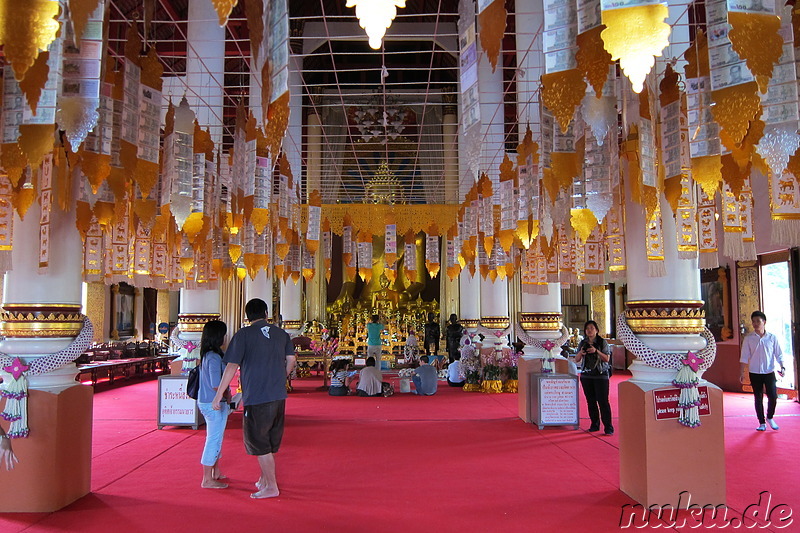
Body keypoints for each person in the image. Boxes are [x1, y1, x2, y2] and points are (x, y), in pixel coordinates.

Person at [212, 298, 296, 499]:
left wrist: (218, 395)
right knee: (268, 440)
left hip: (257, 395)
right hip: (278, 395)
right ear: (267, 313)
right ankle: (265, 479)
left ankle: (271, 486)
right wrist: (280, 377)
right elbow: (292, 360)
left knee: (259, 442)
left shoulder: (244, 335)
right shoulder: (281, 333)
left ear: (248, 315)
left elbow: (231, 366)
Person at [196, 319, 230, 489]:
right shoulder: (214, 357)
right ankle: (207, 479)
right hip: (213, 402)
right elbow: (216, 383)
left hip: (208, 400)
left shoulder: (208, 355)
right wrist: (226, 393)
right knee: (214, 439)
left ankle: (215, 471)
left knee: (216, 437)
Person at [740, 311, 785, 431]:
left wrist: (782, 366)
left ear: (764, 322)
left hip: (769, 371)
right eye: (753, 321)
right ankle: (761, 422)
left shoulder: (772, 338)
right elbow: (744, 356)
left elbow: (778, 354)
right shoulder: (749, 339)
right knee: (758, 397)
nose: (755, 324)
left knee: (773, 396)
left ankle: (770, 417)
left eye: (758, 321)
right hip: (754, 372)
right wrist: (741, 373)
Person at [574, 320, 613, 435]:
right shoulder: (583, 343)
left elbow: (607, 359)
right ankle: (594, 424)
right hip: (586, 375)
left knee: (603, 402)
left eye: (591, 328)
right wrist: (581, 352)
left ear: (596, 330)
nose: (589, 330)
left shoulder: (602, 342)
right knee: (590, 402)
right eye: (587, 329)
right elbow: (577, 359)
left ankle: (608, 427)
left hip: (600, 375)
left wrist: (596, 351)